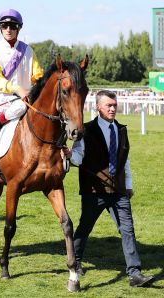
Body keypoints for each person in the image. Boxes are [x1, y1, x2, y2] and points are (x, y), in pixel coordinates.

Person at [62, 90, 154, 287]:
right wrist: (70, 155)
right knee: (85, 228)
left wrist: (128, 185)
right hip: (94, 192)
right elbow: (79, 157)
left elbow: (124, 159)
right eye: (108, 105)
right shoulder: (85, 130)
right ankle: (75, 262)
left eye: (114, 105)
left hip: (119, 191)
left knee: (127, 230)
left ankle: (135, 274)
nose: (112, 108)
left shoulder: (121, 129)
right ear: (98, 107)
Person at [0, 8, 43, 143]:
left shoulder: (28, 50)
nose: (8, 29)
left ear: (18, 28)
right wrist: (17, 89)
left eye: (13, 26)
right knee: (21, 107)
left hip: (28, 98)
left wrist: (40, 84)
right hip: (5, 98)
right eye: (4, 26)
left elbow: (37, 74)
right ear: (1, 28)